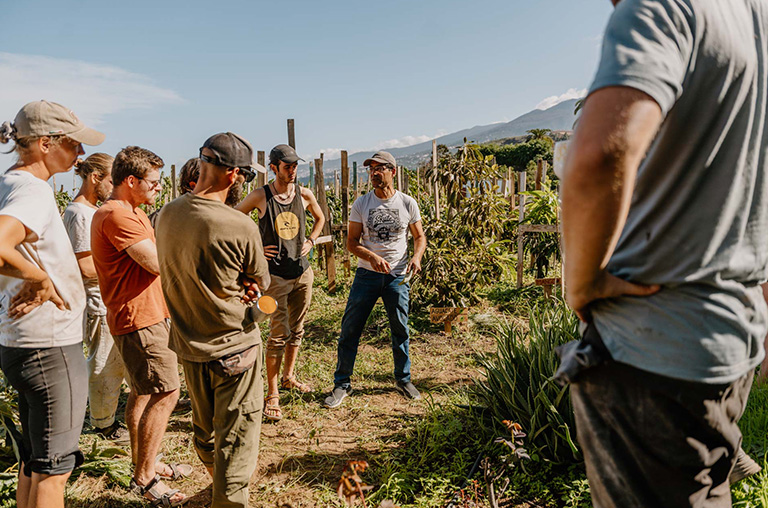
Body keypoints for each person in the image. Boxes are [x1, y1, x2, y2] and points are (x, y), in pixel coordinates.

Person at [560, 0, 768, 505]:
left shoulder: (663, 6)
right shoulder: (755, 17)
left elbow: (599, 154)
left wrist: (583, 282)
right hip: (731, 341)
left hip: (651, 353)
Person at [157, 132, 270, 508]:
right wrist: (248, 287)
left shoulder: (166, 215)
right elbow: (261, 280)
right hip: (236, 349)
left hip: (190, 349)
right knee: (236, 449)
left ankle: (217, 487)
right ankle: (228, 497)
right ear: (234, 175)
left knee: (205, 436)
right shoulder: (240, 225)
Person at [0, 100, 103, 508]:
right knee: (54, 472)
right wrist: (41, 278)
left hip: (20, 342)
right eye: (73, 144)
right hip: (49, 346)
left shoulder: (8, 182)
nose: (80, 155)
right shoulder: (33, 189)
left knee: (35, 460)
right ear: (45, 143)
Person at [91, 146, 189, 506]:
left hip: (145, 314)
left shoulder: (132, 211)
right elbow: (157, 262)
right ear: (131, 181)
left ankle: (144, 463)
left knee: (143, 392)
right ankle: (146, 479)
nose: (158, 187)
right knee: (167, 392)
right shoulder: (118, 215)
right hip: (139, 319)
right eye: (153, 181)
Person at [324, 151, 426, 408]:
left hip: (398, 276)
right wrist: (371, 257)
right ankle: (342, 384)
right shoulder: (362, 204)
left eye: (380, 168)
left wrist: (417, 257)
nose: (374, 173)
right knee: (350, 329)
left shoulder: (407, 203)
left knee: (400, 329)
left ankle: (403, 379)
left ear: (392, 171)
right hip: (367, 275)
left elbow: (419, 237)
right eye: (371, 169)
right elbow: (351, 242)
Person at [236, 144, 325, 421]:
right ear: (274, 168)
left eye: (295, 166)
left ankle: (288, 377)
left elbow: (320, 217)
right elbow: (235, 221)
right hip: (274, 278)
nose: (293, 170)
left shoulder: (304, 193)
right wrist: (257, 247)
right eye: (287, 166)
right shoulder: (261, 196)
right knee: (277, 334)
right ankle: (272, 393)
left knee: (297, 329)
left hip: (302, 273)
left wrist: (311, 240)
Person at [62, 153, 129, 441]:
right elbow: (84, 264)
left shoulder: (92, 211)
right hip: (98, 301)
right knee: (104, 363)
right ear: (95, 178)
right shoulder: (79, 214)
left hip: (109, 297)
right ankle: (103, 424)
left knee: (117, 360)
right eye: (111, 181)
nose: (113, 188)